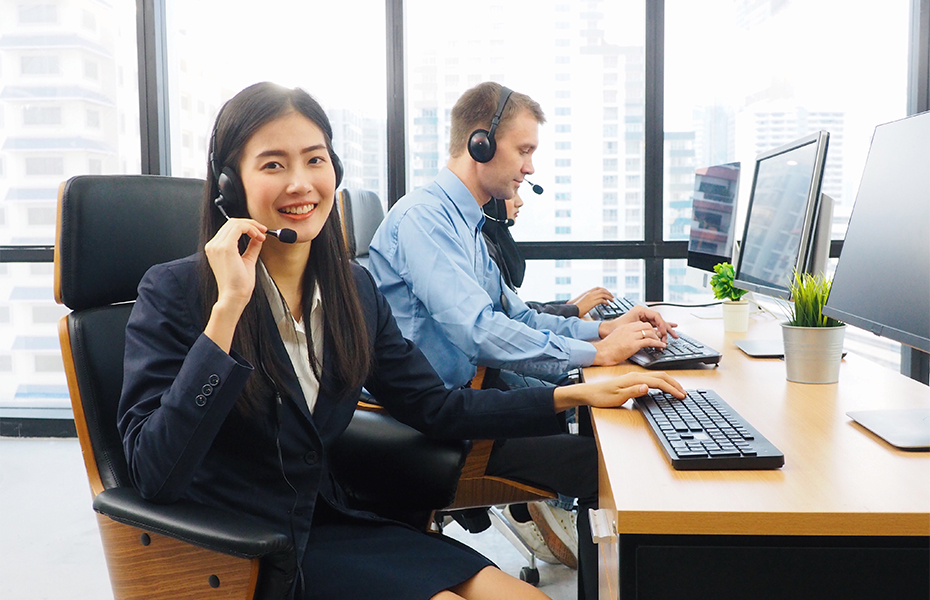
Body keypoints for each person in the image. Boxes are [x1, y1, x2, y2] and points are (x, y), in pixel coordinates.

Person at [117, 81, 685, 600]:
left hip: (333, 523)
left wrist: (574, 395)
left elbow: (435, 405)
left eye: (314, 160)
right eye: (272, 164)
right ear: (229, 185)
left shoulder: (351, 291)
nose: (300, 182)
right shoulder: (177, 292)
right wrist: (227, 312)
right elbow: (154, 472)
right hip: (239, 546)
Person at [368, 81, 679, 600]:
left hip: (475, 402)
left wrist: (605, 331)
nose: (530, 168)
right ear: (480, 144)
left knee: (614, 434)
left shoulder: (466, 225)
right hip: (437, 425)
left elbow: (520, 318)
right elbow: (478, 331)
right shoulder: (425, 219)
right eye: (525, 150)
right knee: (611, 463)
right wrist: (597, 355)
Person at [482, 191, 615, 318]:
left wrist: (569, 305)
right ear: (491, 203)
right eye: (512, 194)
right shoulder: (485, 248)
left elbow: (518, 310)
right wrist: (575, 309)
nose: (520, 202)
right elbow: (511, 316)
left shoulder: (494, 240)